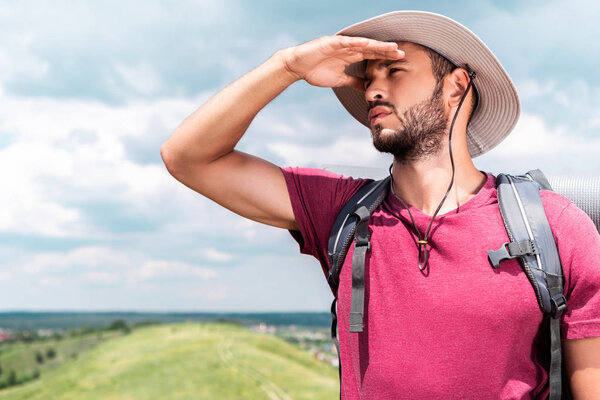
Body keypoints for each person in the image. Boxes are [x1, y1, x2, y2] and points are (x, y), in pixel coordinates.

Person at [161, 10, 600, 400]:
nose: (373, 90)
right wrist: (288, 65)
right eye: (368, 78)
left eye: (393, 71)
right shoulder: (343, 211)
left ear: (457, 86)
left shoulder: (556, 229)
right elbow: (188, 157)